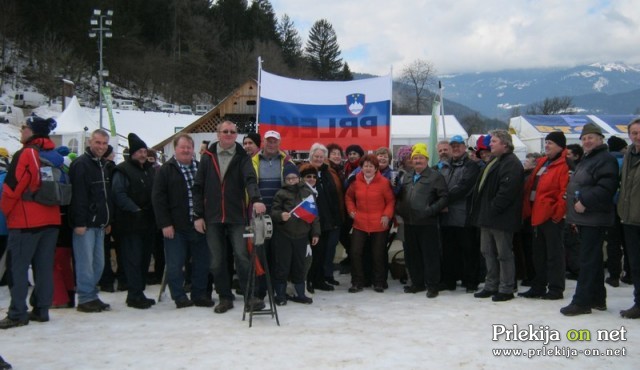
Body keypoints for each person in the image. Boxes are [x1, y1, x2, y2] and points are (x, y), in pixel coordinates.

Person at [193, 121, 266, 314]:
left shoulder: (243, 157)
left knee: (242, 256)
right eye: (224, 131)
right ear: (218, 134)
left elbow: (250, 179)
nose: (228, 134)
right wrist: (198, 215)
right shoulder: (207, 157)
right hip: (213, 216)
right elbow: (198, 187)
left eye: (232, 132)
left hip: (236, 215)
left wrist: (257, 199)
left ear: (236, 135)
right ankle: (225, 297)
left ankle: (250, 297)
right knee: (216, 260)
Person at [0, 116, 61, 329]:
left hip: (26, 221)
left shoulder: (26, 153)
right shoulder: (55, 156)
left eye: (24, 127)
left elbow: (12, 187)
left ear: (32, 131)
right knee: (44, 267)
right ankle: (42, 309)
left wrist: (6, 212)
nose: (20, 130)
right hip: (51, 219)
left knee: (17, 268)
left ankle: (17, 312)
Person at [561, 123, 619, 316]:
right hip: (584, 217)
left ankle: (582, 301)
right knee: (592, 259)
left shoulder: (605, 159)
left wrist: (584, 201)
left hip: (595, 217)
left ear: (600, 139)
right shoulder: (588, 159)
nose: (587, 141)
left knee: (587, 260)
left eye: (591, 137)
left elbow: (606, 187)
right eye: (584, 138)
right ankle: (597, 298)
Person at [152, 134, 213, 309]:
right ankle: (179, 296)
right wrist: (165, 224)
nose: (186, 150)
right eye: (182, 147)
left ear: (193, 149)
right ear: (175, 149)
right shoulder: (165, 170)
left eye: (188, 147)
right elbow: (158, 199)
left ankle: (199, 294)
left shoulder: (201, 168)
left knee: (202, 262)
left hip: (199, 224)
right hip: (175, 226)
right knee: (175, 263)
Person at [470, 130, 524, 302]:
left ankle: (506, 287)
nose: (490, 144)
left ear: (505, 144)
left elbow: (506, 193)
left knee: (503, 254)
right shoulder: (495, 161)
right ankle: (491, 284)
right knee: (487, 252)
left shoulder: (512, 163)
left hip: (501, 218)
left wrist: (492, 209)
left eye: (494, 141)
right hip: (487, 217)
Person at [518, 131, 569, 300]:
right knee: (538, 253)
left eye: (551, 143)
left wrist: (556, 215)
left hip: (551, 217)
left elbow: (565, 192)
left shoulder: (564, 165)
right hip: (536, 215)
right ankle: (538, 285)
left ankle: (555, 288)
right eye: (546, 142)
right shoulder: (542, 162)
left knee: (554, 254)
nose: (547, 145)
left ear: (560, 146)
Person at [69, 129, 113, 313]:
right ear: (90, 142)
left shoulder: (102, 165)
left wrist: (108, 220)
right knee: (85, 262)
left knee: (98, 263)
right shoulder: (81, 164)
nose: (101, 147)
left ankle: (92, 294)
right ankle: (86, 297)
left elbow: (106, 197)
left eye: (104, 143)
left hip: (100, 223)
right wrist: (79, 222)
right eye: (98, 143)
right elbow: (78, 196)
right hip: (85, 223)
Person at [396, 143, 448, 298]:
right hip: (409, 222)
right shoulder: (407, 175)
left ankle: (433, 285)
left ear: (426, 159)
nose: (418, 161)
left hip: (427, 223)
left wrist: (430, 210)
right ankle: (417, 283)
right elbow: (400, 195)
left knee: (430, 255)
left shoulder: (435, 176)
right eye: (415, 158)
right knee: (412, 256)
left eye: (421, 158)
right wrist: (400, 209)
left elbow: (444, 197)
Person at [112, 133, 157, 309]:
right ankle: (134, 294)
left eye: (144, 151)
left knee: (145, 258)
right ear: (132, 153)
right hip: (130, 222)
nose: (143, 154)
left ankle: (139, 292)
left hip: (148, 221)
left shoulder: (149, 170)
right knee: (133, 259)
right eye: (139, 151)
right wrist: (135, 209)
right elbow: (118, 194)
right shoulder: (122, 170)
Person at [271, 165, 320, 305]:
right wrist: (280, 216)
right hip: (284, 235)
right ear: (284, 180)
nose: (292, 180)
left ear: (299, 178)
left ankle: (300, 293)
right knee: (283, 265)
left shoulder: (307, 193)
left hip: (302, 235)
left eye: (294, 177)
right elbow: (274, 212)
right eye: (288, 178)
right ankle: (280, 294)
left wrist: (315, 233)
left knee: (300, 265)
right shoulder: (280, 193)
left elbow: (314, 215)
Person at [345, 154, 395, 293]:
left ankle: (379, 282)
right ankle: (357, 282)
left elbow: (390, 201)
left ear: (376, 168)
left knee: (378, 254)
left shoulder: (384, 182)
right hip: (360, 223)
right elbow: (349, 197)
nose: (368, 168)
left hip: (379, 223)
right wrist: (351, 210)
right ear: (361, 167)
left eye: (371, 166)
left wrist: (387, 215)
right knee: (355, 252)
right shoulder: (355, 182)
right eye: (365, 166)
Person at [439, 135, 481, 293]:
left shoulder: (471, 166)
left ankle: (471, 282)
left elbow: (464, 187)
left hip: (464, 216)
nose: (455, 149)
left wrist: (442, 200)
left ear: (464, 147)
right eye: (453, 146)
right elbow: (438, 185)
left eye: (458, 146)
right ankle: (449, 281)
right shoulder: (444, 166)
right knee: (449, 250)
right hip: (446, 216)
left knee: (468, 250)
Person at [306, 143, 343, 293]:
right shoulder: (306, 171)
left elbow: (333, 195)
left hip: (328, 219)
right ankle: (309, 280)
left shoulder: (327, 172)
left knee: (323, 252)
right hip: (311, 219)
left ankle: (320, 279)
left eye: (321, 156)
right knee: (312, 253)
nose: (319, 159)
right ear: (311, 156)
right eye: (316, 156)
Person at [617, 117, 640, 318]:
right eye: (634, 133)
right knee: (635, 263)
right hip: (629, 218)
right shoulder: (629, 156)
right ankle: (638, 302)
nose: (638, 136)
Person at [605, 135, 629, 287]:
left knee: (613, 242)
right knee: (629, 242)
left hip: (611, 206)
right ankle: (630, 273)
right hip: (627, 207)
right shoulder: (627, 161)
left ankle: (614, 275)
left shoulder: (607, 161)